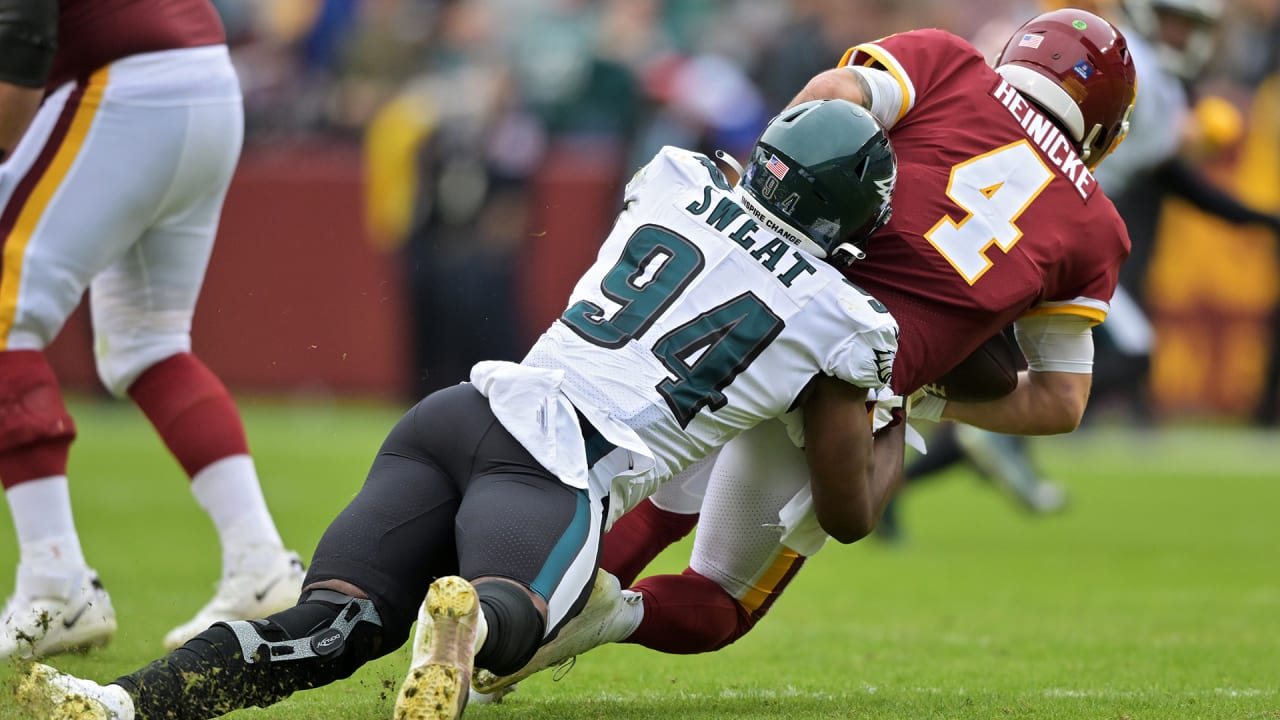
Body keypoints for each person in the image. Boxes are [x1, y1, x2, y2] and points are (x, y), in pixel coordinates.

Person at [16, 98, 903, 720]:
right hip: (561, 466)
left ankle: (121, 702)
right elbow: (846, 510)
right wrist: (893, 421)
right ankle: (469, 621)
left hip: (455, 416)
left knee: (330, 626)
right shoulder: (845, 320)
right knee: (513, 635)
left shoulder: (676, 179)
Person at [469, 7, 1139, 695]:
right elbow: (1060, 402)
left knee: (654, 496)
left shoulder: (949, 62)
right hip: (848, 388)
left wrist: (762, 223)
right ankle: (605, 618)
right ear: (1104, 122)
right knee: (726, 598)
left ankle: (505, 618)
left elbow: (829, 100)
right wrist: (926, 386)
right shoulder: (1096, 227)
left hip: (759, 315)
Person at [0, 0, 305, 660]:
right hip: (206, 76)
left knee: (3, 316)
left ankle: (54, 584)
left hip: (121, 83)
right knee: (149, 342)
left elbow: (22, 33)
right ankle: (258, 560)